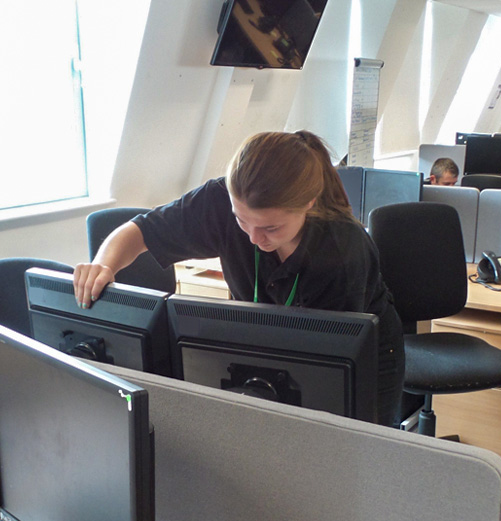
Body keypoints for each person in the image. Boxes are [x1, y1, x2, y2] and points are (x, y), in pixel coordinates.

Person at [74, 130, 404, 427]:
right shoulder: (218, 200)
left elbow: (328, 365)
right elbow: (141, 230)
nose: (253, 238)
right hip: (263, 340)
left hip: (360, 351)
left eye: (271, 228)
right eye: (241, 220)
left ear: (308, 204)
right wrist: (104, 265)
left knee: (347, 449)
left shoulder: (341, 252)